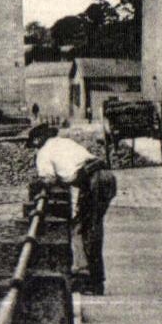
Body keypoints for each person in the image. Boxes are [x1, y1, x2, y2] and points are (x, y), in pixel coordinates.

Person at [27, 124, 118, 295]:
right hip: (106, 176)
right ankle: (91, 278)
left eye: (34, 144)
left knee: (86, 229)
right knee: (90, 226)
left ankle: (91, 281)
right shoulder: (65, 142)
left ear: (38, 140)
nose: (34, 148)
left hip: (93, 181)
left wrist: (38, 182)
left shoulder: (43, 153)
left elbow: (48, 179)